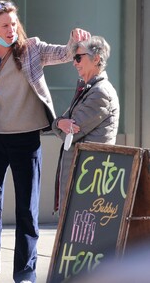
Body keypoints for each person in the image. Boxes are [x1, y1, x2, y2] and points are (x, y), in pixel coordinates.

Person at [0, 0, 90, 283]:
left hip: (26, 139)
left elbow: (63, 53)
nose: (11, 29)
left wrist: (74, 41)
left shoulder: (31, 49)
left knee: (27, 209)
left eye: (14, 24)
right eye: (4, 25)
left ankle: (25, 274)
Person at [52, 35, 120, 214]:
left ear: (96, 59)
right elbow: (60, 124)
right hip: (82, 176)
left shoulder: (100, 93)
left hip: (89, 179)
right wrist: (59, 122)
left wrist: (59, 124)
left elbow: (69, 133)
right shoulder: (89, 89)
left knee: (82, 232)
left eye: (78, 57)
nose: (74, 62)